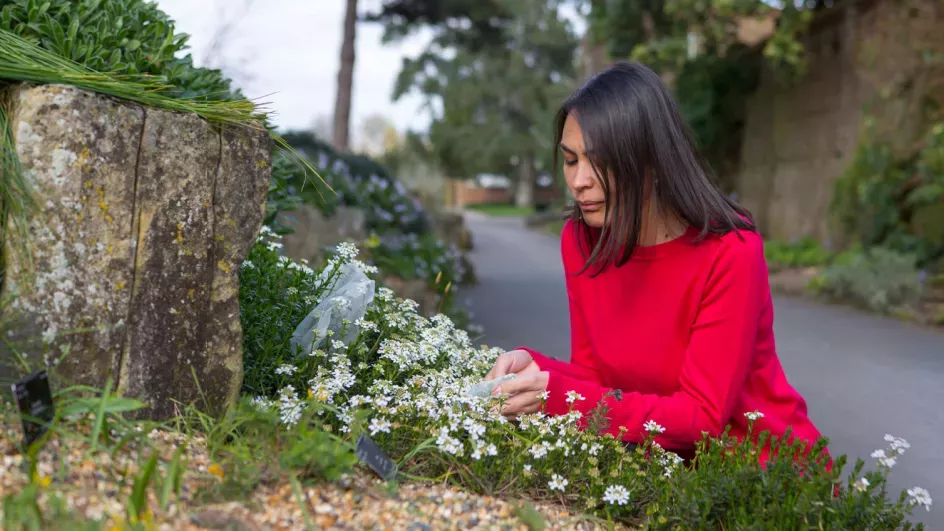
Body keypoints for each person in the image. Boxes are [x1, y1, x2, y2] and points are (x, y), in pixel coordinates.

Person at [484, 61, 826, 467]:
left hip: (762, 477)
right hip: (660, 467)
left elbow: (702, 418)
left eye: (599, 161)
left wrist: (557, 397)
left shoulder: (731, 252)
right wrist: (535, 366)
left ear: (652, 161)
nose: (578, 181)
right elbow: (600, 383)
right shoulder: (582, 241)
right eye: (571, 159)